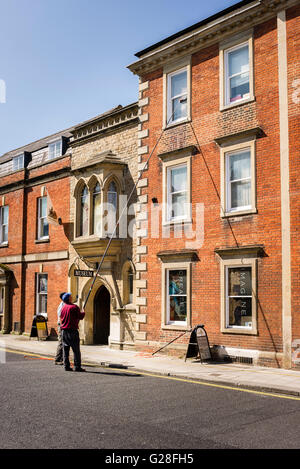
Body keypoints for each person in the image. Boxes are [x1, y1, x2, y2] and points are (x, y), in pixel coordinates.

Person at [60, 293, 85, 372]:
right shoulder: (74, 307)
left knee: (65, 350)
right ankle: (77, 366)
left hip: (64, 331)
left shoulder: (63, 308)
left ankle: (66, 366)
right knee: (76, 350)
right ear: (69, 299)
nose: (72, 297)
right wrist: (83, 312)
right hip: (72, 331)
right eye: (70, 296)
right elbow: (80, 317)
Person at [54, 292, 66, 365]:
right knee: (61, 342)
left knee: (64, 342)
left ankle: (62, 358)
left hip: (62, 325)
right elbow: (61, 317)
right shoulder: (62, 305)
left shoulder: (64, 304)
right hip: (61, 325)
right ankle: (57, 359)